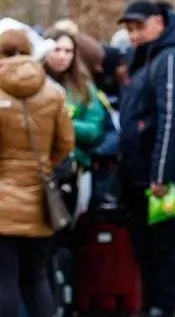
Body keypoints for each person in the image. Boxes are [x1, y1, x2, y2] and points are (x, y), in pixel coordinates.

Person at [118, 0, 175, 317]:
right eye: (129, 29)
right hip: (145, 171)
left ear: (159, 22)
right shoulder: (148, 57)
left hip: (167, 174)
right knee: (160, 243)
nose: (133, 35)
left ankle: (164, 306)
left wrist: (160, 174)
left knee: (166, 244)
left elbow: (174, 118)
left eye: (138, 27)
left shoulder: (173, 58)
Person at [0, 29, 74, 317]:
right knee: (36, 277)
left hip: (2, 204)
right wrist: (43, 165)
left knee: (4, 278)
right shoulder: (54, 94)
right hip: (40, 201)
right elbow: (66, 144)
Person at [43, 29, 106, 171]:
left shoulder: (84, 87)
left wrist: (62, 123)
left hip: (72, 163)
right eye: (56, 49)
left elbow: (94, 131)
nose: (62, 56)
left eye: (68, 51)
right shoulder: (31, 83)